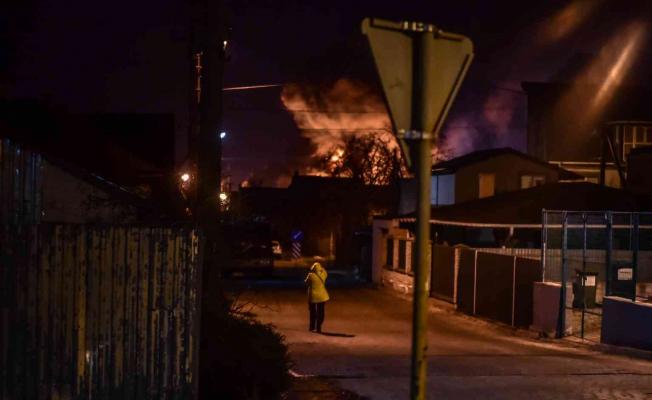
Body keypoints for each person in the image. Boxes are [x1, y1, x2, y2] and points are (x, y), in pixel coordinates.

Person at [305, 262, 329, 333]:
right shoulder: (323, 274)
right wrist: (321, 268)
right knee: (320, 312)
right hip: (322, 296)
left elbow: (306, 282)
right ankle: (319, 327)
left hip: (312, 296)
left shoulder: (310, 275)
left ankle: (312, 327)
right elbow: (324, 270)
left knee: (312, 312)